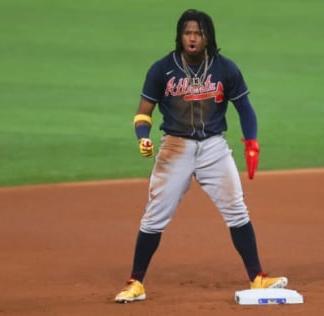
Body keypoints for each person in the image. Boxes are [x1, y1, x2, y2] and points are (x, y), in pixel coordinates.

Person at [114, 9, 287, 303]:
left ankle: (257, 277)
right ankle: (136, 282)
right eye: (187, 33)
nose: (192, 38)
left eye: (198, 33)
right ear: (180, 36)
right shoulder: (162, 69)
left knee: (237, 209)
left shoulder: (225, 68)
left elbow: (245, 108)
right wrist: (142, 138)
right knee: (154, 216)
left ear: (208, 37)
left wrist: (252, 142)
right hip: (174, 147)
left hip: (213, 148)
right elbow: (143, 113)